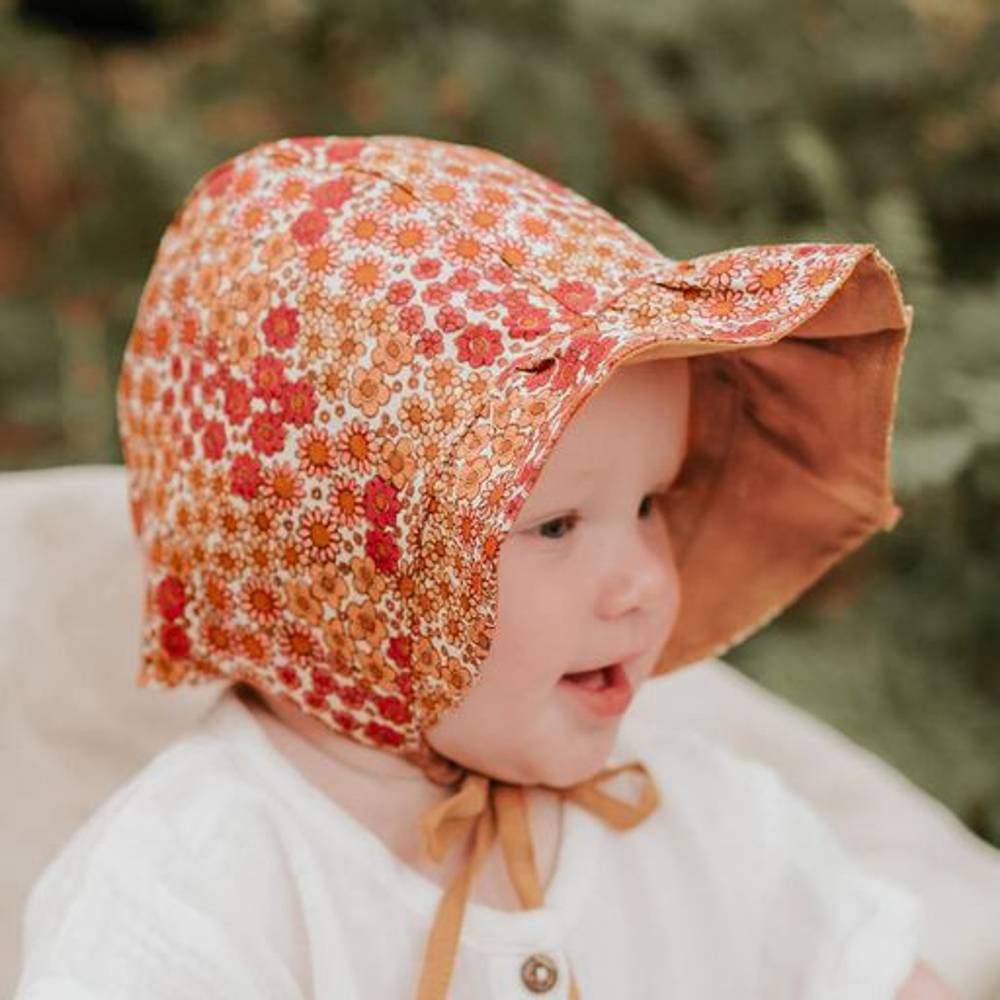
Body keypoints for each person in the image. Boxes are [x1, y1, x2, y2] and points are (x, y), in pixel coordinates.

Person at [15, 134, 957, 998]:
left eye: (649, 505)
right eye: (555, 527)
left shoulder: (698, 816)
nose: (643, 582)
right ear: (345, 574)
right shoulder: (191, 897)